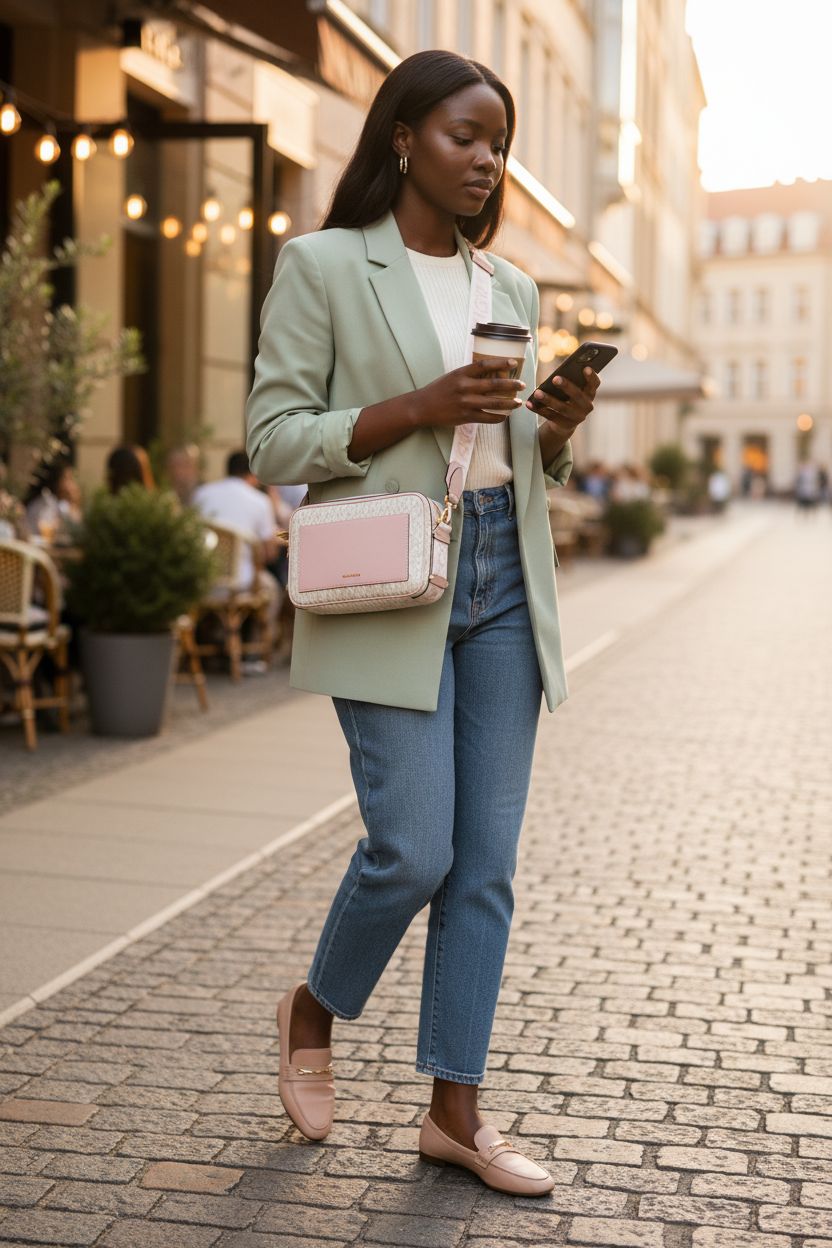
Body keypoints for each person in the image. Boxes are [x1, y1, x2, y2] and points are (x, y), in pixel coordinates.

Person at [245, 50, 601, 1196]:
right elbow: (274, 437)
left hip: (501, 576)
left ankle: (455, 1111)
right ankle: (314, 1005)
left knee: (484, 867)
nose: (487, 159)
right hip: (392, 574)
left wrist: (556, 423)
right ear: (403, 136)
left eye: (498, 142)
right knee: (413, 851)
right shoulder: (323, 266)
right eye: (465, 135)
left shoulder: (512, 291)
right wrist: (419, 404)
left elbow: (508, 460)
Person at [192, 450, 280, 640]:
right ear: (253, 473)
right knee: (272, 589)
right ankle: (254, 650)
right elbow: (269, 555)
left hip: (203, 582)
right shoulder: (260, 501)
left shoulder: (201, 494)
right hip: (241, 584)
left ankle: (212, 638)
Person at [24, 456, 83, 541]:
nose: (71, 484)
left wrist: (74, 503)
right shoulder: (46, 501)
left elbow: (78, 528)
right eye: (68, 478)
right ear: (56, 480)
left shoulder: (60, 504)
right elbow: (46, 531)